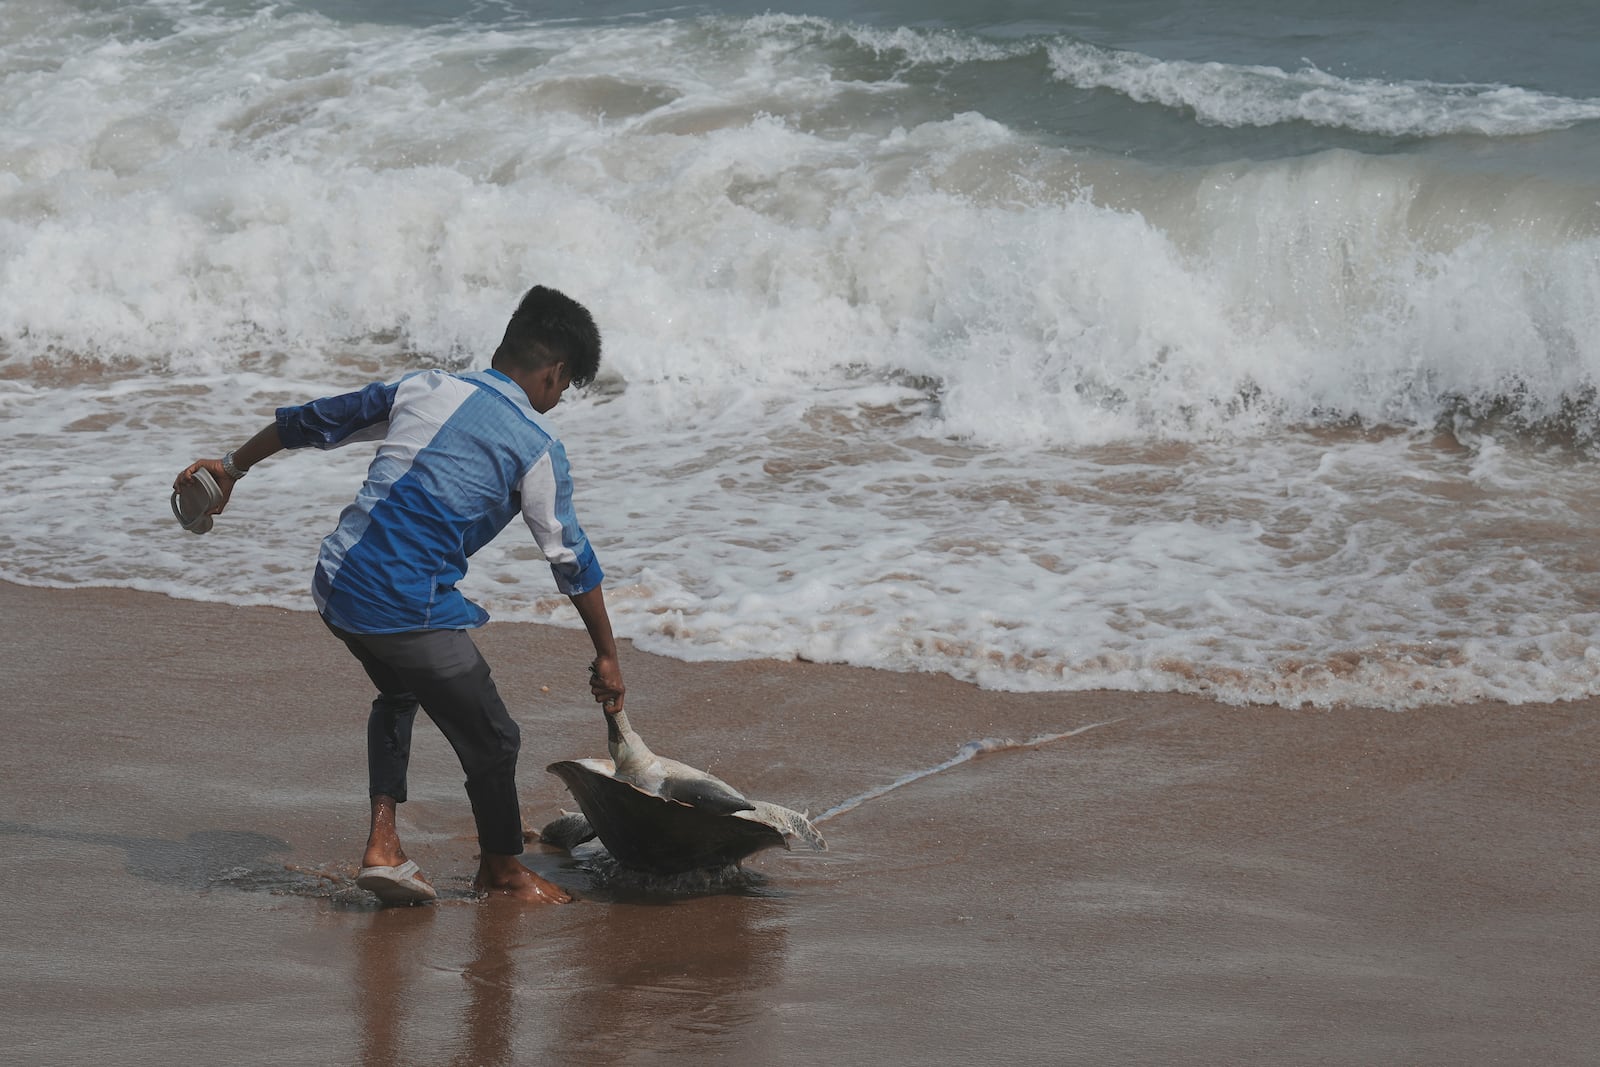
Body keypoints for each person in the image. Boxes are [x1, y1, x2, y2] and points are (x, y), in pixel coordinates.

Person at [173, 284, 625, 905]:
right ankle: (502, 871)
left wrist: (230, 467)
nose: (559, 400)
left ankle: (384, 846)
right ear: (555, 372)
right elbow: (571, 556)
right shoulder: (535, 446)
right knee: (495, 739)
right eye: (565, 387)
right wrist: (607, 653)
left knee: (399, 690)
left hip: (336, 582)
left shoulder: (425, 387)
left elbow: (316, 420)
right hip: (399, 604)